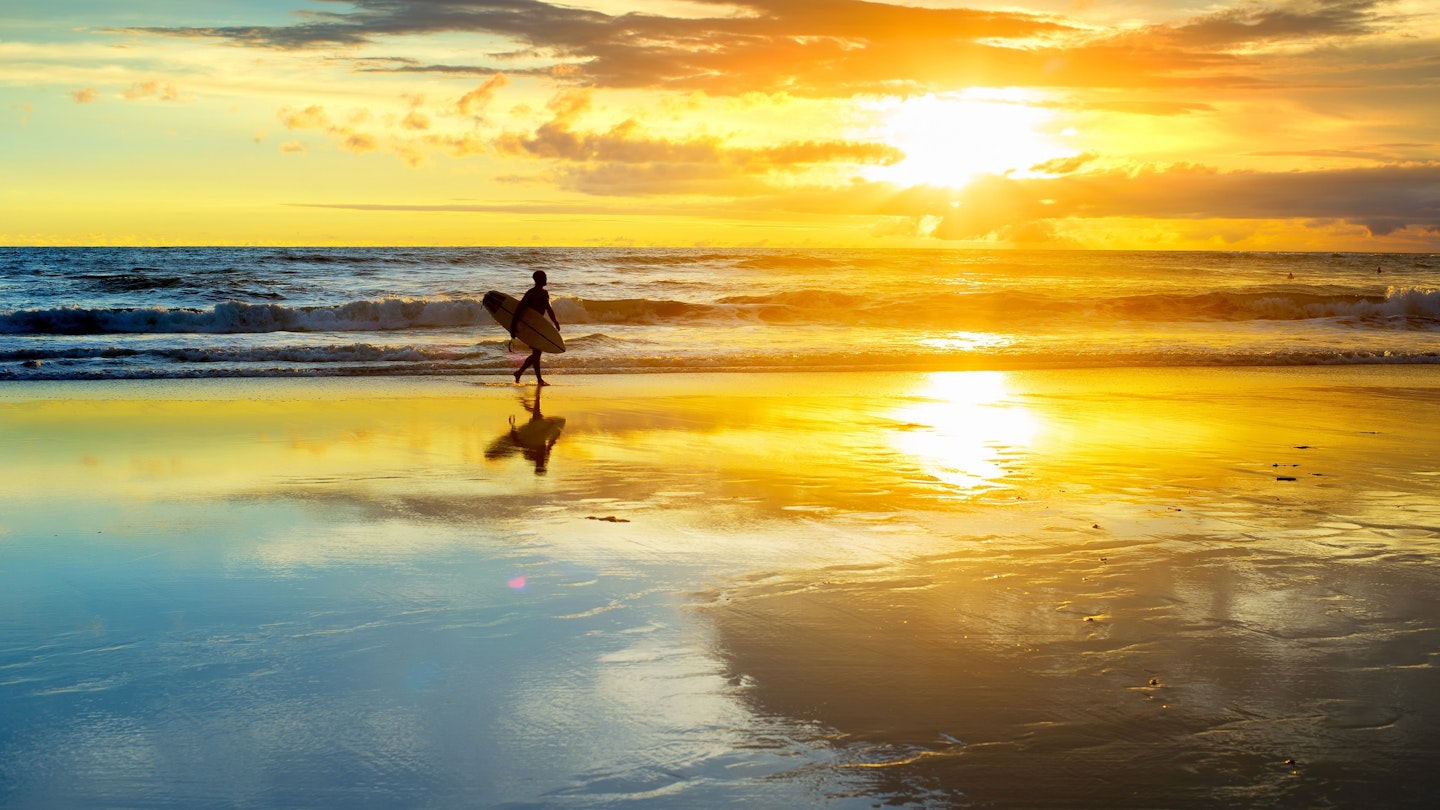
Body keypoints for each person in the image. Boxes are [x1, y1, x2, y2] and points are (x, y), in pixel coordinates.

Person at [510, 270, 560, 385]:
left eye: (546, 277)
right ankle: (539, 380)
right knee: (537, 353)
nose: (546, 279)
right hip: (529, 328)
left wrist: (555, 321)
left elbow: (548, 308)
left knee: (536, 354)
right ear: (538, 280)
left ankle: (519, 373)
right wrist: (513, 328)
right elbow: (518, 310)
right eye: (544, 277)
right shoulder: (530, 294)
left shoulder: (544, 293)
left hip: (537, 327)